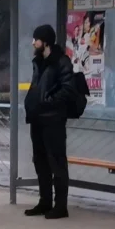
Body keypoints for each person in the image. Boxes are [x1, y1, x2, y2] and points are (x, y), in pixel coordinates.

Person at [24, 24, 75, 219]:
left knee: (56, 162)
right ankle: (44, 202)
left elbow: (68, 89)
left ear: (44, 41)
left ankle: (60, 206)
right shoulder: (38, 62)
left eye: (36, 39)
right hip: (37, 119)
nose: (33, 42)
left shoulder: (61, 62)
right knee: (40, 161)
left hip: (53, 120)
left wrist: (48, 102)